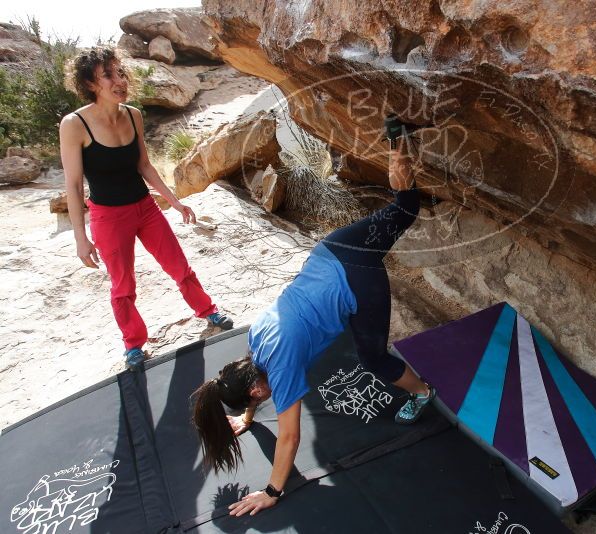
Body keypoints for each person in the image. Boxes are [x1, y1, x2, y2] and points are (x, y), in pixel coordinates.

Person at [191, 122, 434, 517]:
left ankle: (424, 393)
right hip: (333, 249)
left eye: (256, 402)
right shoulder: (256, 340)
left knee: (372, 358)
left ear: (256, 391)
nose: (265, 399)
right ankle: (396, 139)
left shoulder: (282, 368)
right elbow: (250, 387)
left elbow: (289, 437)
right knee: (405, 207)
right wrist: (246, 418)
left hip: (357, 283)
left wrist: (271, 491)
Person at [59, 48, 234, 369]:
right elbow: (72, 185)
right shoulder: (75, 125)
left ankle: (208, 311)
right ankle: (134, 344)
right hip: (108, 217)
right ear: (90, 83)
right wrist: (80, 238)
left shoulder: (133, 115)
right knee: (123, 285)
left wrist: (175, 201)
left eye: (120, 72)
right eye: (108, 75)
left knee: (179, 265)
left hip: (144, 207)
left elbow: (145, 165)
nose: (119, 80)